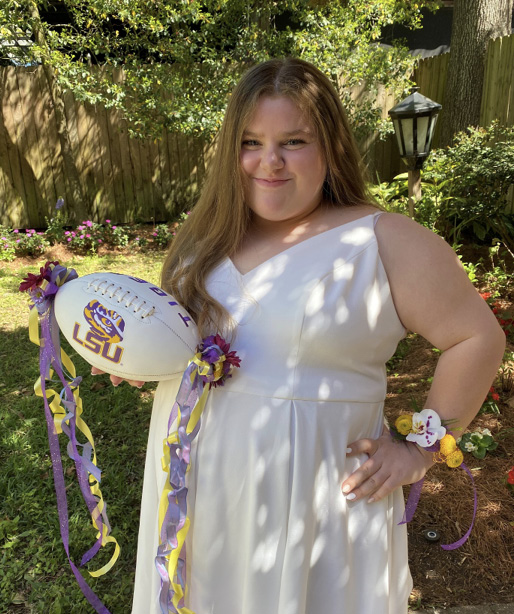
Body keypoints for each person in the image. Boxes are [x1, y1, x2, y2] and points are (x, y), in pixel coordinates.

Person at [99, 57, 505, 613]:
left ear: (331, 148)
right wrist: (136, 358)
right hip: (199, 493)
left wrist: (422, 449)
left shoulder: (382, 241)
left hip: (319, 510)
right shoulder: (205, 239)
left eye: (293, 141)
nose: (268, 162)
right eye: (250, 142)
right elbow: (180, 344)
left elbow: (476, 338)